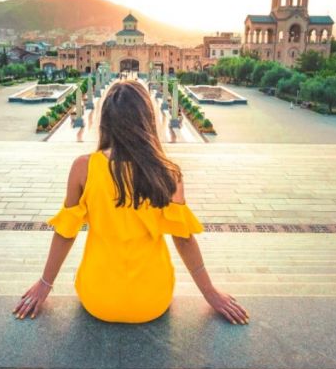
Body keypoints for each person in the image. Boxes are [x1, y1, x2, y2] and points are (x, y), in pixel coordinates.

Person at [13, 81, 249, 324]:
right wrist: (210, 293)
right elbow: (184, 239)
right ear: (148, 120)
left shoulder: (83, 168)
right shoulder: (168, 173)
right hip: (153, 299)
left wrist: (44, 284)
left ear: (105, 122)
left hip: (98, 298)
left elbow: (66, 232)